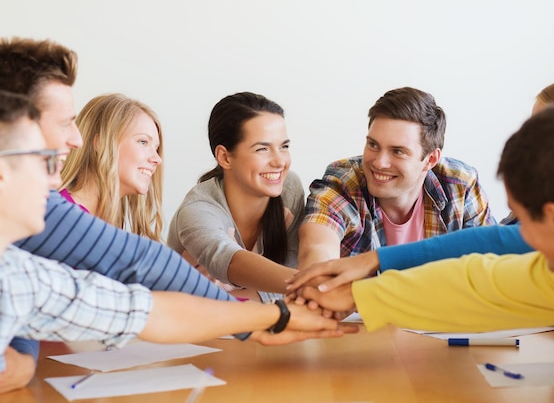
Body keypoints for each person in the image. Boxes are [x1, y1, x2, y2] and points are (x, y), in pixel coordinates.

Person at [0, 37, 328, 393]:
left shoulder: (19, 274)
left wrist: (272, 317)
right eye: (64, 124)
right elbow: (146, 264)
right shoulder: (196, 208)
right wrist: (269, 314)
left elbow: (133, 309)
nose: (75, 140)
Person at [292, 104, 554, 386]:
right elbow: (480, 282)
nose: (516, 232)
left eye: (522, 220)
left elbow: (491, 260)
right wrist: (358, 293)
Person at [297, 86, 496, 270]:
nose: (379, 162)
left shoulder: (459, 185)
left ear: (430, 159)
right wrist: (318, 278)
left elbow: (494, 261)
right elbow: (317, 248)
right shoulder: (343, 182)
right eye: (373, 145)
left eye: (398, 151)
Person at [168, 92, 303, 302]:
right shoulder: (197, 210)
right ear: (224, 157)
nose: (280, 161)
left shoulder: (289, 189)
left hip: (258, 325)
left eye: (284, 147)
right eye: (262, 149)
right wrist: (313, 285)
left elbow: (292, 268)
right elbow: (232, 262)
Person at [60, 93, 164, 241]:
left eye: (156, 148)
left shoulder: (105, 228)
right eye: (143, 142)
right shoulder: (64, 216)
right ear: (101, 143)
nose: (157, 159)